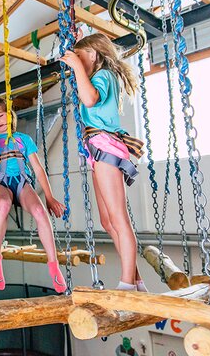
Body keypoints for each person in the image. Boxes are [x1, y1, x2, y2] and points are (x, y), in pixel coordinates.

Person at [60, 33, 147, 291]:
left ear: (94, 55)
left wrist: (76, 66)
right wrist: (76, 53)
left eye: (82, 56)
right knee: (108, 222)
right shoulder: (95, 76)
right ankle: (137, 279)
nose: (78, 61)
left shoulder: (104, 76)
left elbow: (89, 99)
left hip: (106, 147)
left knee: (119, 219)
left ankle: (128, 283)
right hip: (97, 148)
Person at [0, 97, 67, 293]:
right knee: (2, 205)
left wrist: (49, 196)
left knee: (39, 210)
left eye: (0, 115)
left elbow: (37, 169)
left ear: (9, 115)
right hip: (0, 183)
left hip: (22, 181)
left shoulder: (24, 139)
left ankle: (53, 265)